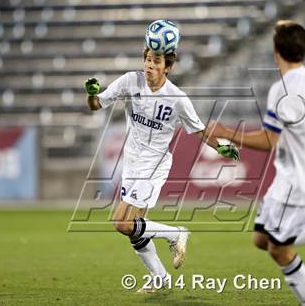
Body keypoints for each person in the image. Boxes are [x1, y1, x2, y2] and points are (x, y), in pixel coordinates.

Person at [207, 20, 305, 306]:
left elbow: (268, 141)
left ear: (276, 50)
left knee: (279, 249)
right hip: (289, 178)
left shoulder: (283, 88)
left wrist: (227, 133)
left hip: (299, 185)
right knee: (261, 239)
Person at [84, 22, 239, 294]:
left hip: (154, 166)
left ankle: (176, 233)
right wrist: (91, 94)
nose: (148, 65)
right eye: (147, 59)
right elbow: (97, 105)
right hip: (131, 162)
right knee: (135, 229)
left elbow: (200, 130)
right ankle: (160, 278)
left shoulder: (177, 98)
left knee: (121, 222)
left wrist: (220, 147)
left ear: (167, 67)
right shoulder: (130, 81)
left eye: (155, 61)